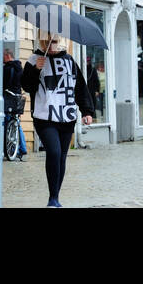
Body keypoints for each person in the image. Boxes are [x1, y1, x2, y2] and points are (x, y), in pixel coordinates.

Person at [21, 34, 95, 208]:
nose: (51, 46)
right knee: (53, 153)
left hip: (66, 116)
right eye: (47, 42)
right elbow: (27, 86)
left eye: (54, 42)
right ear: (42, 41)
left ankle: (55, 197)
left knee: (61, 157)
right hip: (44, 116)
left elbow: (79, 87)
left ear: (59, 42)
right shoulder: (34, 59)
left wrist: (87, 111)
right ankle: (52, 199)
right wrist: (35, 70)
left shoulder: (69, 61)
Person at [4, 48, 27, 158]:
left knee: (7, 120)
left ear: (8, 56)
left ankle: (8, 148)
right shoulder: (19, 67)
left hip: (9, 97)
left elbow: (4, 84)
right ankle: (22, 148)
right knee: (17, 122)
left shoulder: (8, 68)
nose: (3, 59)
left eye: (4, 56)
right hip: (17, 97)